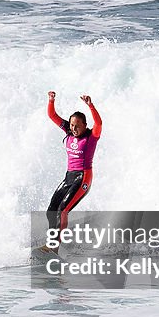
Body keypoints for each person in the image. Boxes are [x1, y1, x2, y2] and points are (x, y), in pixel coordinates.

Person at [46, 91, 102, 233]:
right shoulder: (69, 132)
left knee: (63, 211)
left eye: (77, 126)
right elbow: (52, 115)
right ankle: (51, 241)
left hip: (83, 177)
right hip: (69, 176)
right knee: (51, 211)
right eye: (71, 125)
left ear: (84, 125)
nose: (74, 129)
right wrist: (51, 100)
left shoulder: (91, 137)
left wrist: (91, 106)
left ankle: (54, 246)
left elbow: (99, 123)